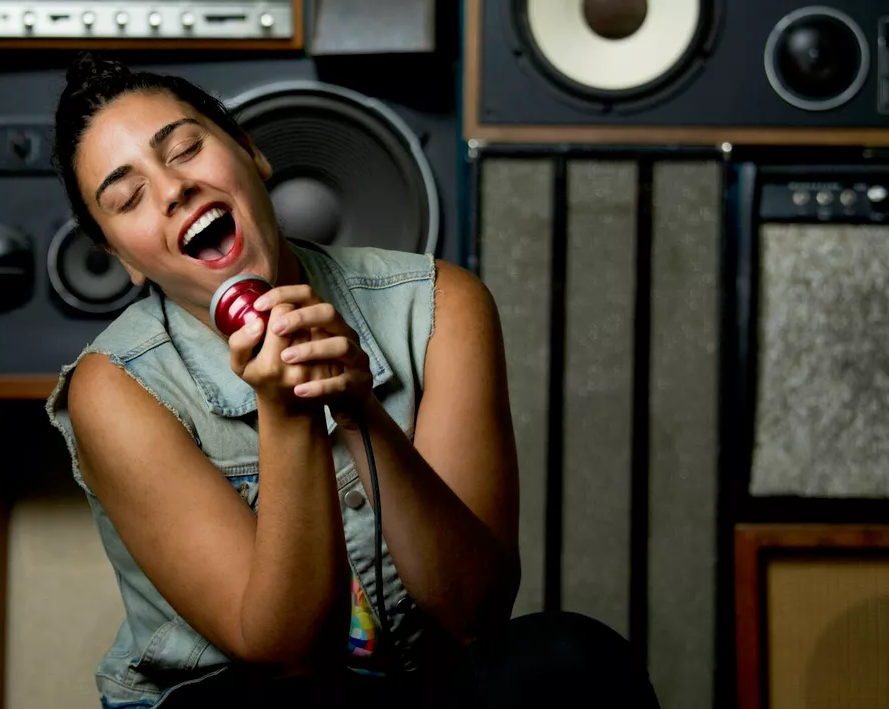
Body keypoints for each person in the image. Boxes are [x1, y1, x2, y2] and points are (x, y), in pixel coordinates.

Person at [46, 52, 661, 708]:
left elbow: (475, 610)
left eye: (186, 149)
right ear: (122, 258)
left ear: (252, 153)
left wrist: (361, 406)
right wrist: (287, 412)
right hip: (234, 696)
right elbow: (285, 654)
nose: (173, 190)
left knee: (569, 657)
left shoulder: (440, 305)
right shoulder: (115, 387)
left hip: (413, 682)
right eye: (128, 197)